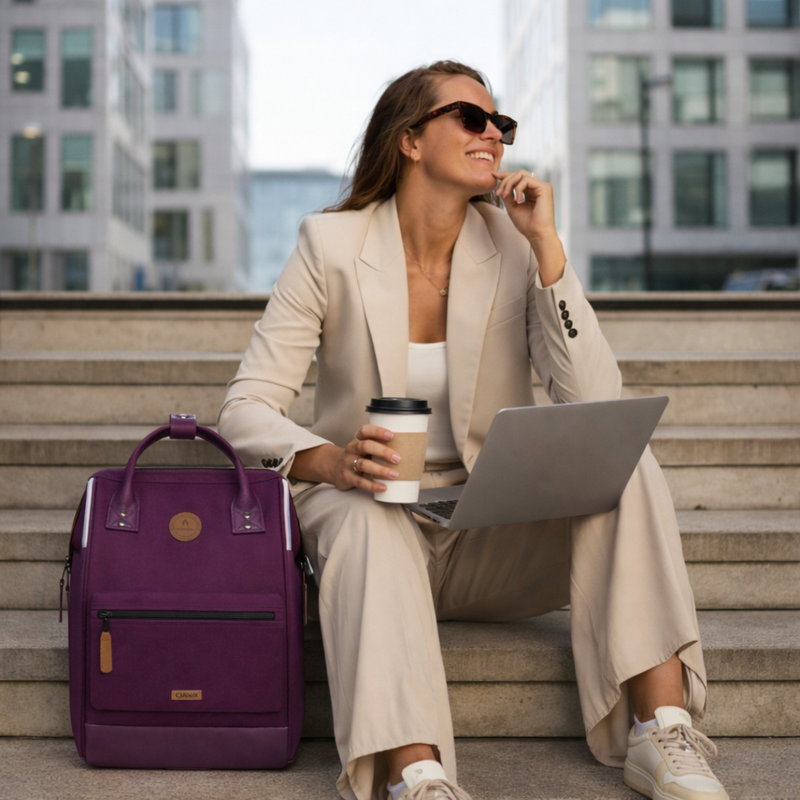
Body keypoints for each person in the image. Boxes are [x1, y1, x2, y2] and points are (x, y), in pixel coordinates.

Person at [219, 61, 729, 800]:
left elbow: (592, 398)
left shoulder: (514, 246)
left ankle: (661, 729)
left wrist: (548, 249)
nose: (493, 133)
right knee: (365, 513)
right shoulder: (330, 246)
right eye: (470, 117)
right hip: (373, 523)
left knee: (624, 462)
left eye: (501, 124)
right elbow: (242, 411)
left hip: (485, 529)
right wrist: (329, 462)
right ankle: (415, 776)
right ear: (411, 141)